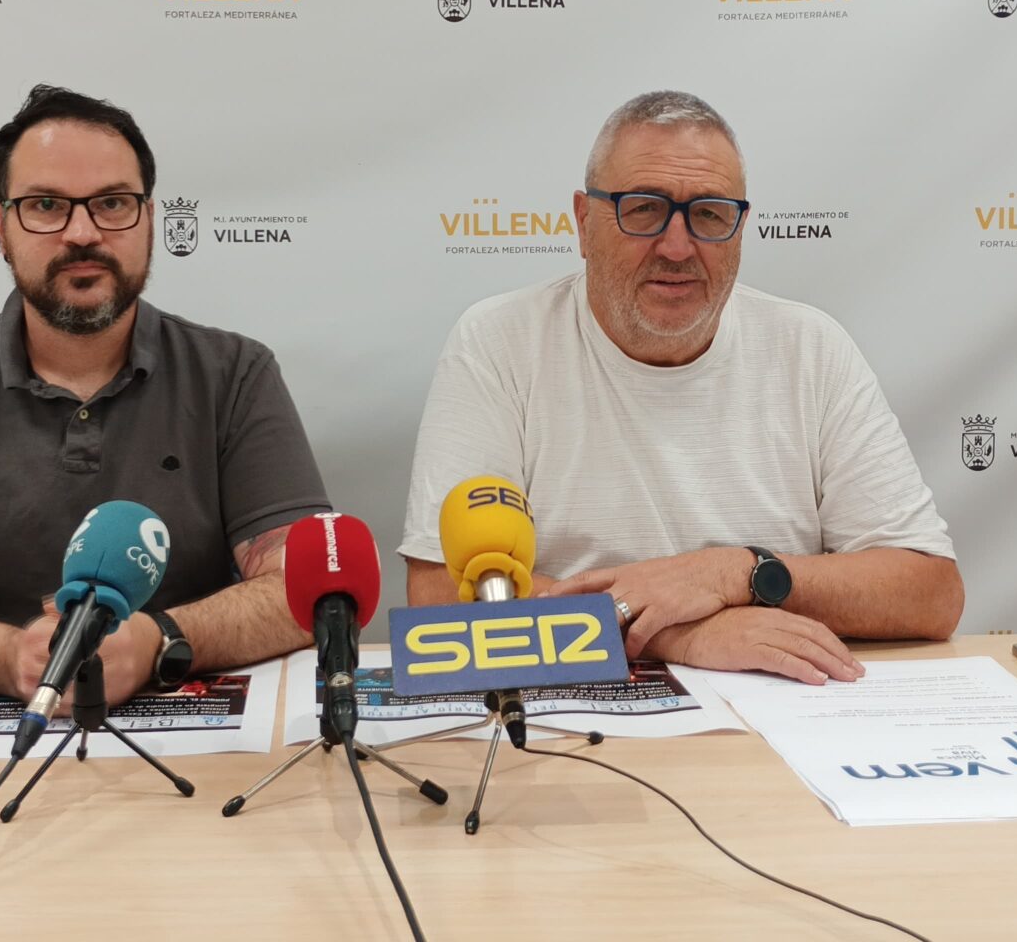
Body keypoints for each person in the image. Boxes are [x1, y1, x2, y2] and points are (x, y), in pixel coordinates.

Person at [399, 90, 962, 685]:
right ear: (584, 222)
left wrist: (734, 573)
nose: (676, 246)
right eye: (643, 209)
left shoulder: (811, 347)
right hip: (563, 710)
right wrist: (678, 634)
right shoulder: (500, 341)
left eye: (710, 214)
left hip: (778, 714)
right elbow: (438, 592)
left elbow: (931, 594)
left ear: (740, 228)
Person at [0, 84, 330, 705]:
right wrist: (10, 657)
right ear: (1, 228)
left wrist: (157, 640)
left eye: (112, 203)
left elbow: (310, 587)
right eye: (46, 205)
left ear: (150, 219)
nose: (82, 233)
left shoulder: (235, 373)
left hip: (187, 723)